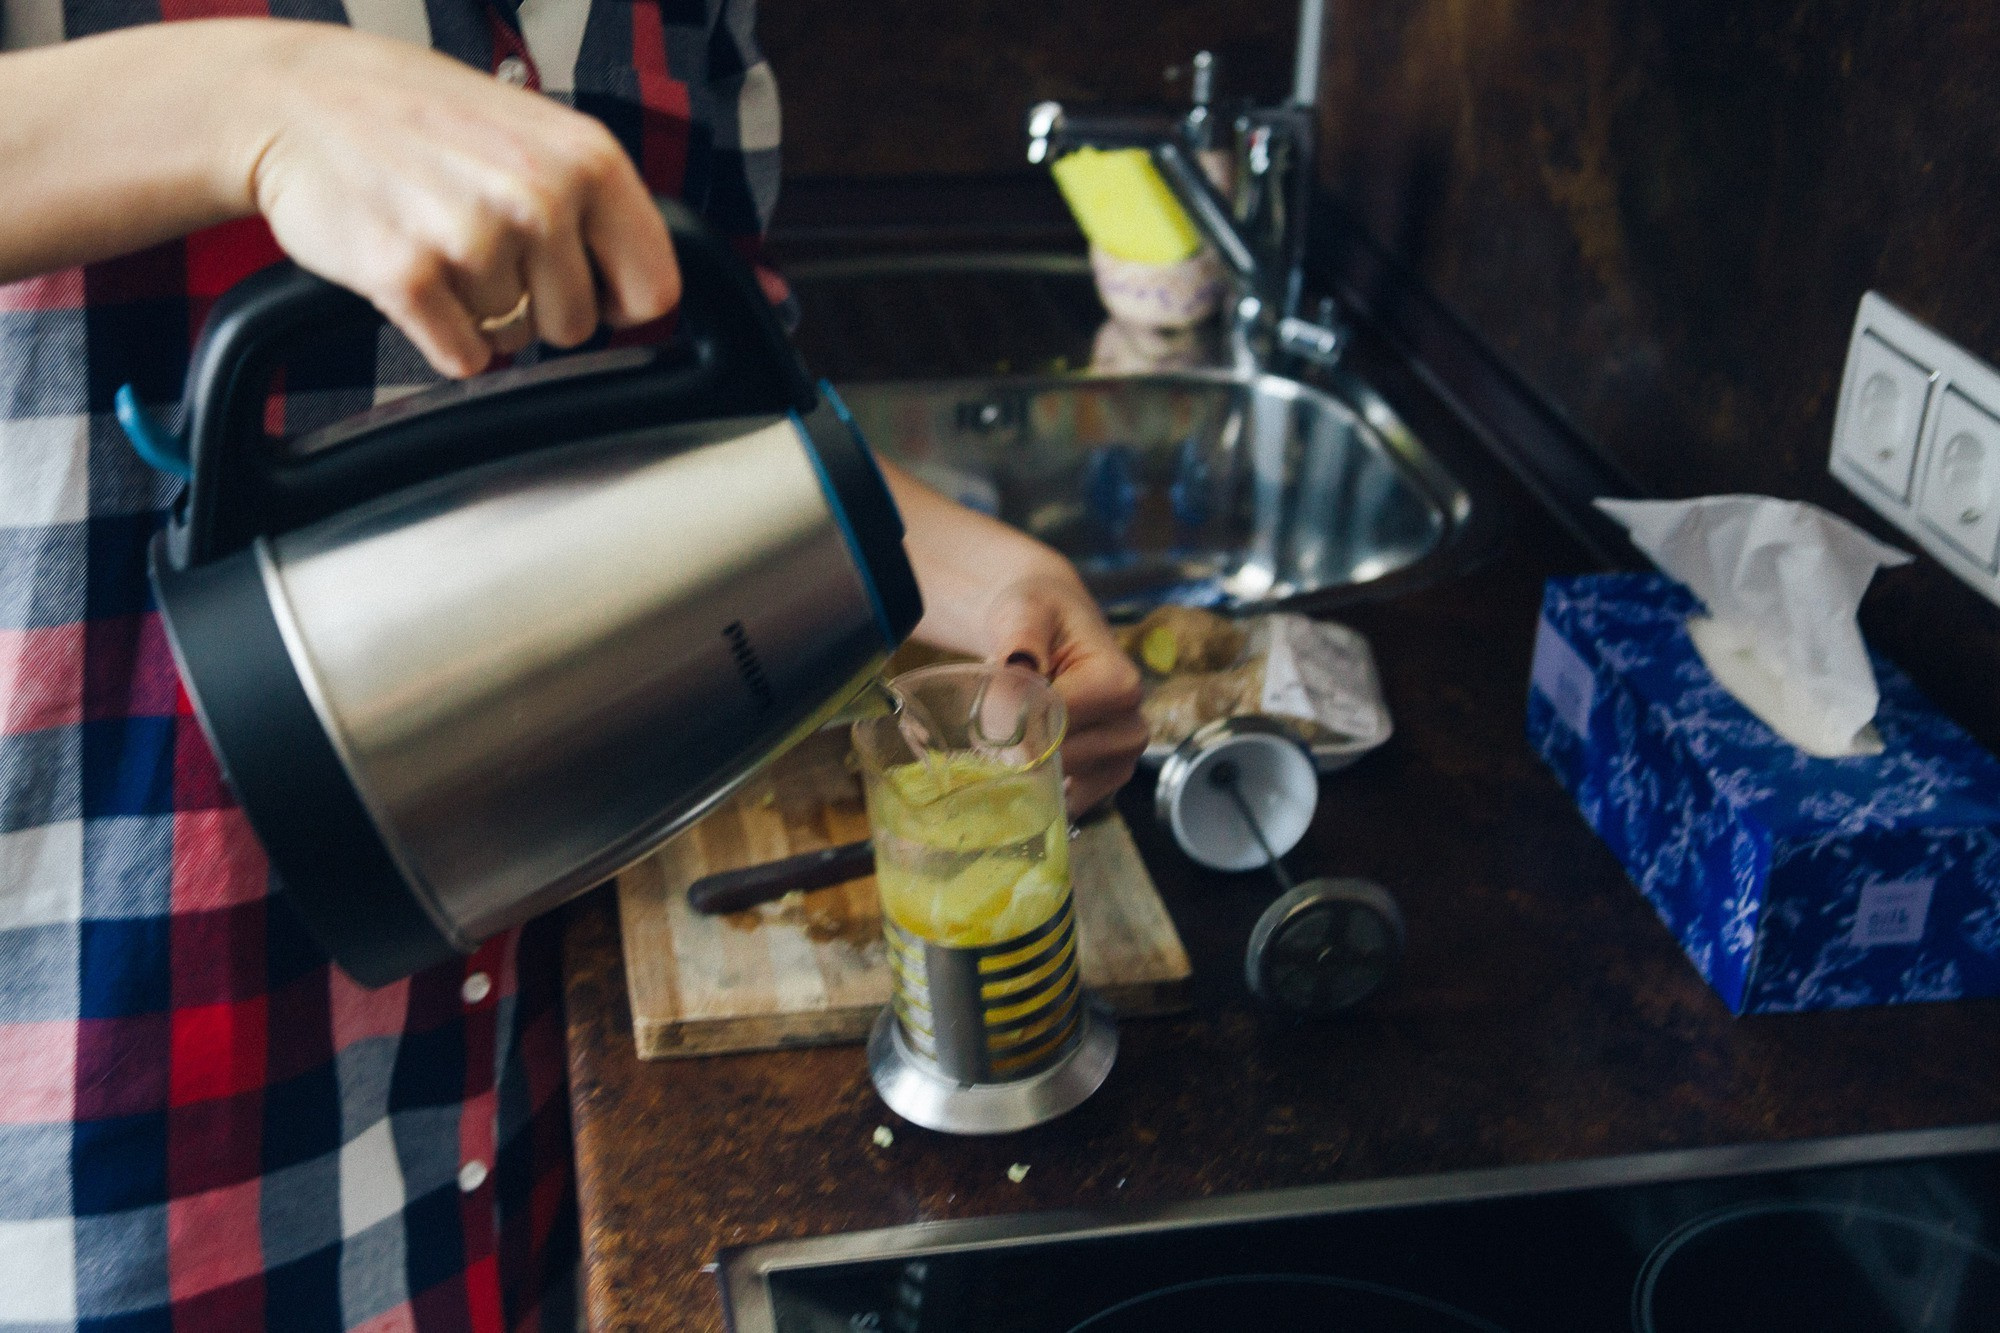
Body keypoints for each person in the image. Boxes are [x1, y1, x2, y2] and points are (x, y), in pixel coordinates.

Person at [0, 6, 1146, 1329]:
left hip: (551, 1082)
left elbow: (711, 395)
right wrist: (251, 97)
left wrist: (964, 574)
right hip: (151, 1107)